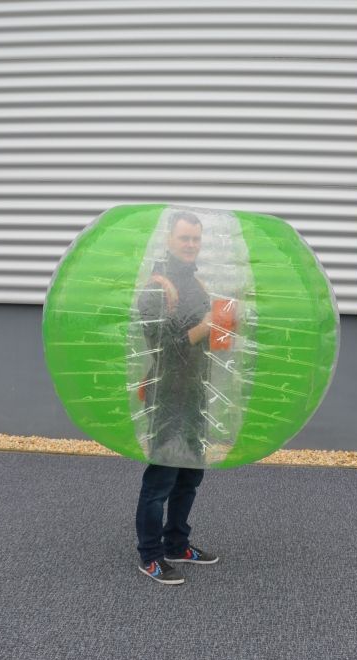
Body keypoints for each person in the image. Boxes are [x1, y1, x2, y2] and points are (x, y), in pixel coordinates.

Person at [134, 211, 220, 585]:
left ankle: (177, 544)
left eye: (196, 239)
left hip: (195, 393)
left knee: (190, 474)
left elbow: (207, 339)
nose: (190, 245)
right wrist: (207, 326)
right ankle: (150, 555)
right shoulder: (157, 289)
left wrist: (226, 324)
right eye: (184, 238)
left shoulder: (197, 284)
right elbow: (165, 348)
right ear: (169, 240)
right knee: (161, 480)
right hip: (167, 396)